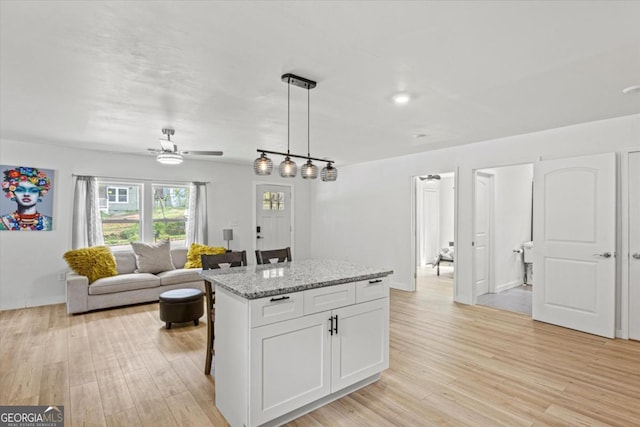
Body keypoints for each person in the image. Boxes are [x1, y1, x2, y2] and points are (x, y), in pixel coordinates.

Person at [0, 166, 52, 230]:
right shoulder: (2, 222)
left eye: (33, 191)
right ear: (12, 194)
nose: (26, 194)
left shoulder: (50, 222)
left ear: (39, 194)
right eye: (20, 190)